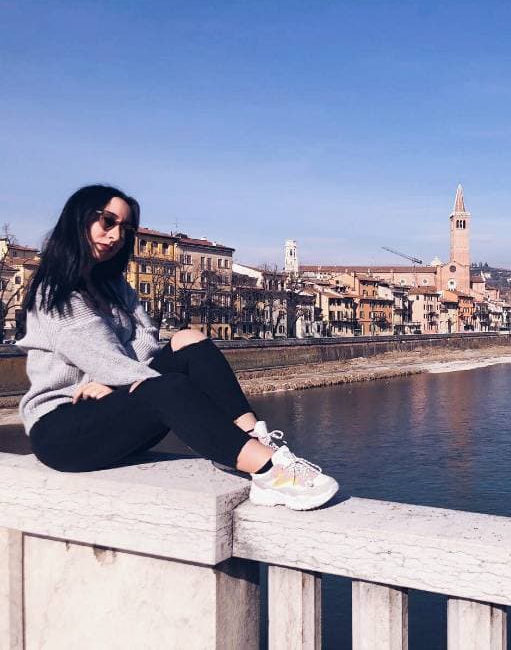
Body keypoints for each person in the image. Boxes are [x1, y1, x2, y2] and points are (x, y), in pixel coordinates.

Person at [17, 185, 338, 510]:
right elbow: (104, 358)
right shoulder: (54, 292)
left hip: (108, 407)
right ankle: (270, 471)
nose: (115, 236)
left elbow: (146, 339)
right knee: (167, 388)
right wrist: (108, 376)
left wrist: (110, 380)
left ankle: (251, 436)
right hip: (63, 432)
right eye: (107, 222)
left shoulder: (113, 287)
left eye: (124, 230)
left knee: (189, 341)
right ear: (78, 219)